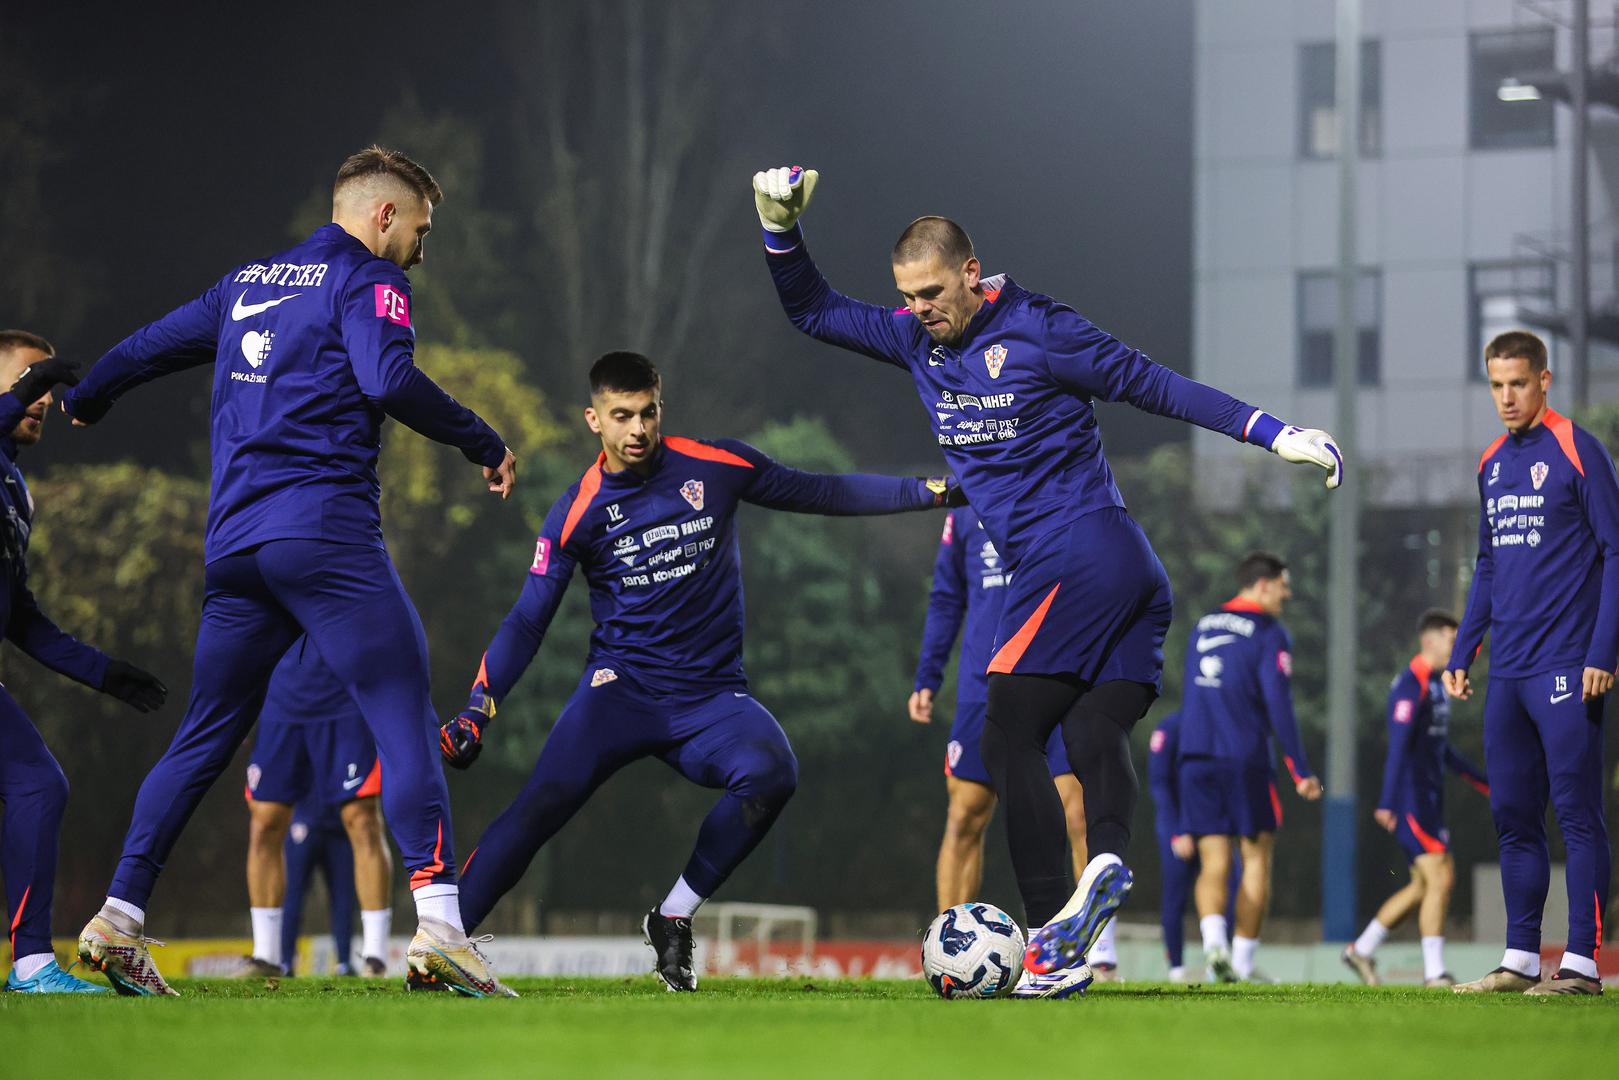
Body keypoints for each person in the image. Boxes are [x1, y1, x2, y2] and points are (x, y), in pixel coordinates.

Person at [752, 164, 1342, 995]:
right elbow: (812, 309)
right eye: (906, 296)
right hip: (1129, 575)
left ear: (969, 273)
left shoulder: (1040, 330)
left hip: (1078, 556)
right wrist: (780, 230)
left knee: (1006, 732)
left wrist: (1270, 432)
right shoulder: (914, 341)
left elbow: (1151, 384)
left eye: (930, 291)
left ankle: (1043, 947)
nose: (918, 309)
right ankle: (1099, 866)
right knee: (1092, 734)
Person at [64, 147, 519, 998]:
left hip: (235, 548)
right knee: (406, 713)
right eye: (420, 231)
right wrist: (481, 440)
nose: (422, 250)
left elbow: (152, 345)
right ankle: (442, 931)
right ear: (384, 216)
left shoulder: (248, 282)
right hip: (324, 536)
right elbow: (387, 377)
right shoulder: (367, 280)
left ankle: (117, 919)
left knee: (203, 733)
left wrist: (90, 395)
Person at [438, 350, 960, 993]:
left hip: (711, 699)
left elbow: (821, 490)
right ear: (592, 420)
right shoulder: (576, 509)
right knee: (539, 808)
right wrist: (478, 705)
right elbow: (527, 621)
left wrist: (932, 490)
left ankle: (673, 916)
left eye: (648, 413)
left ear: (662, 408)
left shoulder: (715, 467)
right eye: (621, 416)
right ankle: (441, 949)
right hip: (620, 693)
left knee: (773, 772)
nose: (637, 430)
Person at [1445, 330, 1615, 996]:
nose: (1506, 397)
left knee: (1576, 815)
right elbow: (1487, 563)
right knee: (1513, 815)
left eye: (1517, 383)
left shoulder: (1578, 450)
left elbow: (1615, 553)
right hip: (1508, 675)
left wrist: (1602, 652)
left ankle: (1578, 964)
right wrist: (1464, 648)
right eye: (1495, 385)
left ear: (1544, 380)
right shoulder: (1490, 461)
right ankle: (1518, 960)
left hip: (1568, 666)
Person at [0, 332, 168, 994]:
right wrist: (14, 394)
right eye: (25, 381)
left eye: (44, 385)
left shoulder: (15, 488)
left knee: (38, 785)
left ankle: (31, 962)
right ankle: (32, 962)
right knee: (38, 785)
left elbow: (19, 618)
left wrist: (104, 672)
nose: (39, 396)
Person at [909, 506, 1119, 977]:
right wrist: (928, 675)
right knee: (965, 815)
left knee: (1078, 811)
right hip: (981, 683)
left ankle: (1091, 951)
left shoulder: (1063, 488)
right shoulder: (963, 504)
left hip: (1057, 673)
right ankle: (949, 953)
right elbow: (947, 597)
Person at [1176, 553, 1321, 982]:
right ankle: (1241, 962)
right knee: (1256, 857)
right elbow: (1279, 703)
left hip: (1196, 755)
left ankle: (1214, 946)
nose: (1287, 593)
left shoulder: (1202, 624)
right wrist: (1299, 769)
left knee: (1212, 858)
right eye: (1283, 584)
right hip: (1244, 758)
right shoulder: (1268, 632)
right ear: (1262, 585)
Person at [1342, 610, 1487, 988]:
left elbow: (1443, 749)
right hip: (1410, 800)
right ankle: (1434, 973)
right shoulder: (1410, 685)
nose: (1459, 650)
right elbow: (1399, 746)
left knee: (1423, 886)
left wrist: (1485, 782)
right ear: (1430, 641)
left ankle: (1362, 949)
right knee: (1440, 876)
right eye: (1453, 643)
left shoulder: (1438, 686)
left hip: (1428, 798)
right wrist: (1388, 802)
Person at [236, 641, 392, 977]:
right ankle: (266, 956)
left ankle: (375, 957)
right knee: (265, 822)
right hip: (282, 697)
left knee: (362, 818)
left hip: (345, 696)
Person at [1146, 710, 1241, 982]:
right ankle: (1176, 968)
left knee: (1229, 887)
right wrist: (1177, 832)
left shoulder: (1223, 727)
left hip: (1211, 824)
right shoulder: (1170, 728)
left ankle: (1221, 960)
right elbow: (1160, 783)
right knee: (1175, 896)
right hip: (1177, 826)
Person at [279, 795, 359, 977]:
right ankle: (286, 961)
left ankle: (286, 962)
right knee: (296, 895)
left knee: (341, 897)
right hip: (315, 822)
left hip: (328, 825)